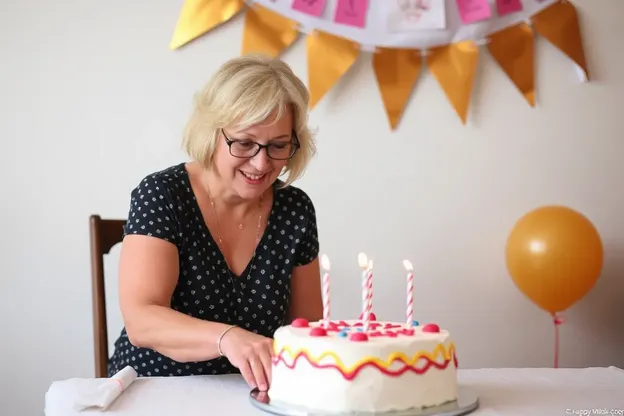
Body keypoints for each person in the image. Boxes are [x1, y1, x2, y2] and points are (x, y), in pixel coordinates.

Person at [107, 54, 323, 392]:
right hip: (156, 389)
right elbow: (142, 321)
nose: (261, 162)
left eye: (278, 145)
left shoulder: (295, 209)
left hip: (251, 394)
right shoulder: (164, 194)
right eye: (245, 143)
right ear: (212, 132)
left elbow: (306, 327)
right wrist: (227, 338)